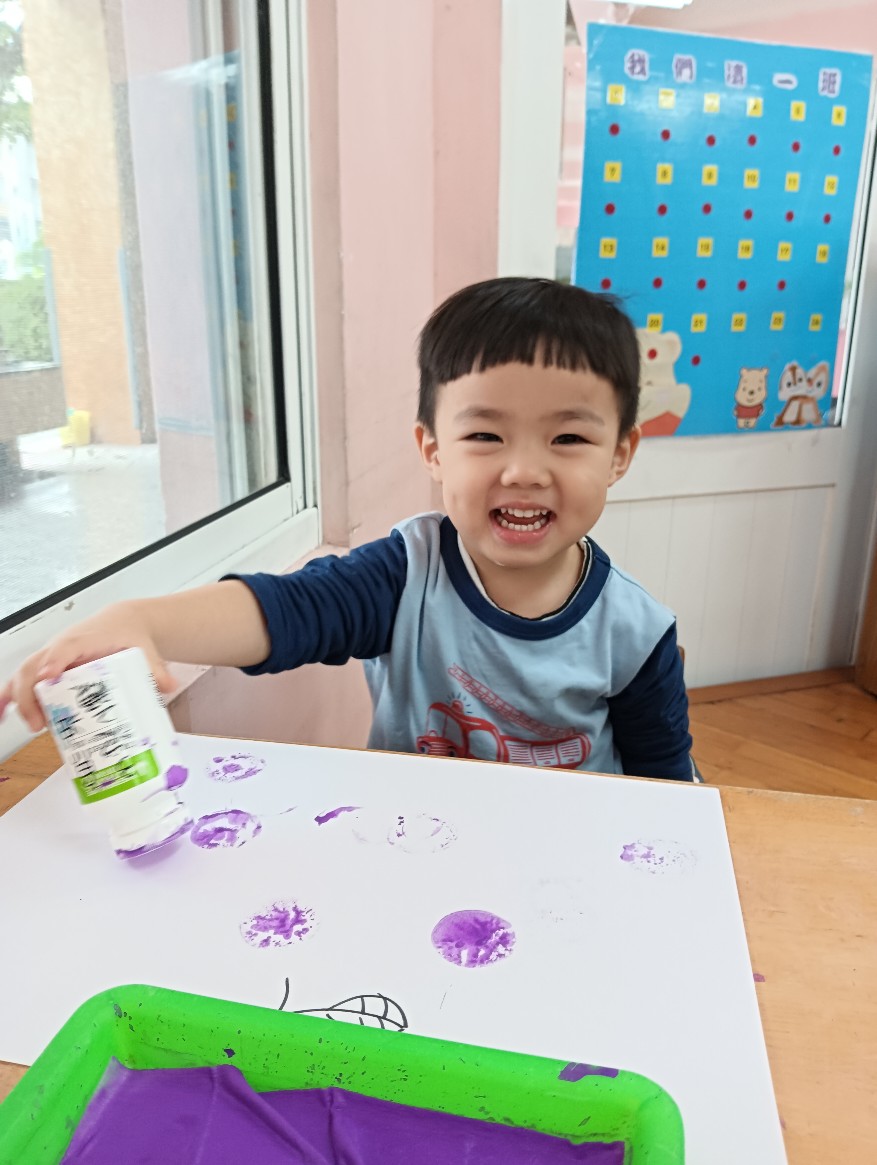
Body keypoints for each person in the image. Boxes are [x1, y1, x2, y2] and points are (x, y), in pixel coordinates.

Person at [1, 277, 693, 780]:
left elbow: (667, 786)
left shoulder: (635, 632)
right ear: (432, 450)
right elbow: (286, 609)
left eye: (568, 438)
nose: (523, 471)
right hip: (414, 841)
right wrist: (141, 621)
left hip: (567, 862)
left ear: (619, 454)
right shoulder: (405, 575)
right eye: (485, 434)